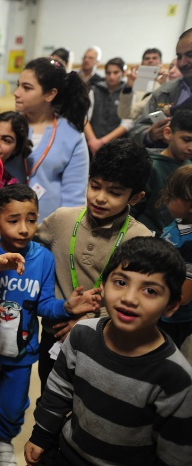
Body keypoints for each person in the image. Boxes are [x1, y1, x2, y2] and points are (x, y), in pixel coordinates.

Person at [24, 237, 192, 466]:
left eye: (150, 290)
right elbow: (59, 390)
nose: (129, 298)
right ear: (103, 286)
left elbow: (175, 453)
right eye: (121, 282)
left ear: (172, 305)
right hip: (67, 453)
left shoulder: (176, 377)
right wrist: (41, 435)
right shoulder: (81, 334)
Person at [0, 184, 101, 465]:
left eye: (31, 220)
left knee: (14, 405)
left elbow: (43, 304)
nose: (24, 229)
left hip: (22, 354)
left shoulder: (43, 258)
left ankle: (5, 441)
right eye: (13, 220)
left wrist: (67, 307)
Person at [33, 139, 153, 400]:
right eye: (95, 186)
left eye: (114, 192)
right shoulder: (62, 219)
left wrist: (91, 321)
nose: (100, 197)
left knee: (91, 405)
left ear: (135, 197)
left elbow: (139, 300)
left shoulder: (140, 239)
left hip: (105, 342)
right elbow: (20, 238)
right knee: (49, 398)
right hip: (55, 335)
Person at [6, 57, 90, 221]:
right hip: (4, 225)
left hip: (49, 229)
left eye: (27, 88)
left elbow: (74, 198)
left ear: (50, 94)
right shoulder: (6, 127)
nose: (16, 93)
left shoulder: (72, 135)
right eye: (18, 85)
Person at [131, 107, 192, 235]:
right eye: (186, 140)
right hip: (144, 236)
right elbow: (132, 208)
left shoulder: (189, 169)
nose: (191, 147)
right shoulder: (150, 166)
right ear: (168, 133)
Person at [130, 28, 192, 148]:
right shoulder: (164, 91)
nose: (182, 63)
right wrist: (150, 135)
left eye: (190, 55)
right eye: (179, 57)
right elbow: (137, 129)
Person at [159, 165, 192, 362]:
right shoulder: (179, 222)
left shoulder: (190, 244)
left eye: (171, 197)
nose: (165, 199)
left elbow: (184, 295)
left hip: (176, 320)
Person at [85, 57, 133, 155]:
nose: (111, 76)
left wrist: (102, 142)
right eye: (108, 73)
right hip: (91, 144)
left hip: (117, 147)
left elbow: (127, 123)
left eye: (116, 73)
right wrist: (93, 141)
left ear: (123, 73)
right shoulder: (94, 89)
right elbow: (84, 118)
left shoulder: (128, 92)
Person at [117, 48, 166, 120]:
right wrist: (128, 88)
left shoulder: (168, 80)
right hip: (138, 123)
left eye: (154, 58)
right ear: (142, 63)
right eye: (147, 58)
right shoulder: (135, 83)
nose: (150, 61)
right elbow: (125, 114)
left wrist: (163, 85)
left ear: (161, 62)